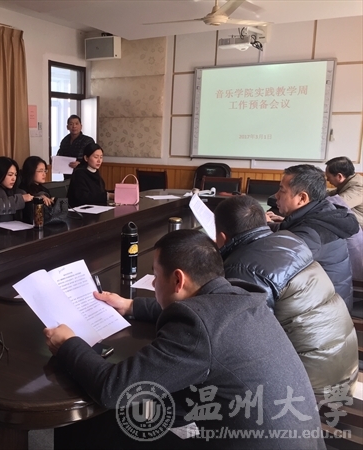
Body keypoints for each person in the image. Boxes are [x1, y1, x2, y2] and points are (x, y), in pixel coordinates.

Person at [44, 230, 323, 449]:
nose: (154, 284)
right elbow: (194, 313)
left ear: (178, 280)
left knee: (104, 422)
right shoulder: (240, 297)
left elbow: (113, 389)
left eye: (156, 276)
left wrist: (68, 344)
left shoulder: (197, 327)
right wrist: (131, 306)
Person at [215, 195, 358, 394]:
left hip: (312, 388)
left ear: (221, 238)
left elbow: (247, 339)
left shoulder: (243, 268)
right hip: (343, 369)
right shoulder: (290, 239)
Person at [266, 164, 359, 310]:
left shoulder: (312, 232)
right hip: (326, 302)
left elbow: (274, 265)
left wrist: (256, 229)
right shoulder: (322, 212)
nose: (276, 196)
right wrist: (266, 224)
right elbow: (292, 231)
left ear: (302, 198)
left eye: (282, 190)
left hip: (323, 314)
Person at [67, 143, 113, 208]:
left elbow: (100, 192)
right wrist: (108, 196)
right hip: (79, 210)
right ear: (86, 158)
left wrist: (115, 193)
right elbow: (83, 197)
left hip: (96, 209)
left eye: (101, 157)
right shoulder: (79, 173)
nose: (99, 160)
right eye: (96, 157)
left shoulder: (96, 172)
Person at [326, 156, 363, 227]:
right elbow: (331, 193)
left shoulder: (358, 187)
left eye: (329, 177)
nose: (327, 180)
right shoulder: (350, 182)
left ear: (339, 176)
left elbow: (337, 204)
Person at [20, 156, 54, 224]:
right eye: (40, 171)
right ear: (30, 171)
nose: (44, 174)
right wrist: (39, 198)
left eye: (45, 171)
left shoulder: (44, 189)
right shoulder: (22, 189)